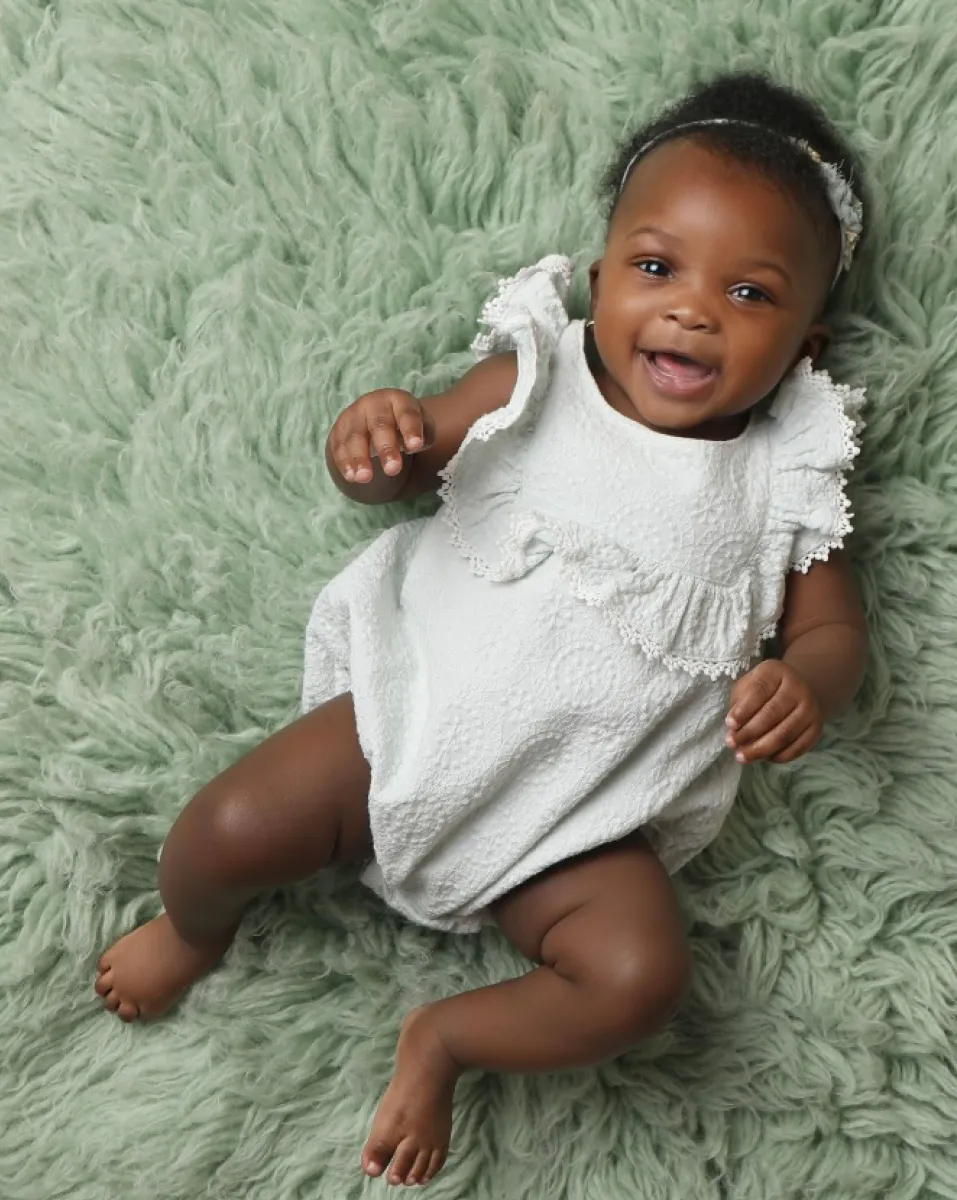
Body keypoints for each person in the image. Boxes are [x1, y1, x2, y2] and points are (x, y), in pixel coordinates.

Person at [94, 69, 872, 1188]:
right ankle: (197, 928)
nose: (693, 308)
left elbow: (835, 630)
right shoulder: (540, 375)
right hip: (406, 722)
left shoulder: (790, 472)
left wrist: (811, 681)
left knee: (641, 980)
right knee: (223, 830)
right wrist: (375, 438)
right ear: (601, 278)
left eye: (752, 294)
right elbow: (400, 471)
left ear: (805, 345)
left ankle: (447, 1038)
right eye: (656, 268)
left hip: (580, 825)